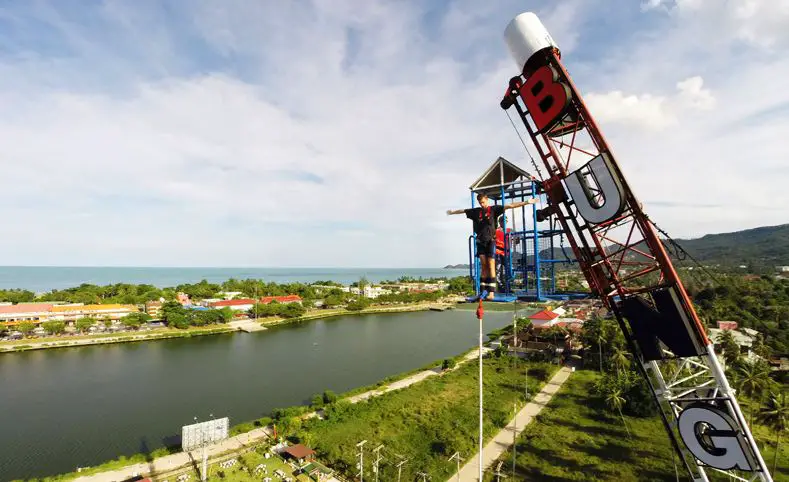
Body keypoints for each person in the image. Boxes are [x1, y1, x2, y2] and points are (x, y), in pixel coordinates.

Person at [447, 193, 538, 300]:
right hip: (480, 242)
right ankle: (481, 292)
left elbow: (510, 205)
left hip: (491, 241)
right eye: (480, 203)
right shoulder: (476, 211)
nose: (482, 204)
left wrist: (526, 202)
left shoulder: (494, 209)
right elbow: (462, 211)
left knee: (491, 265)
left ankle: (491, 293)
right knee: (484, 266)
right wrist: (452, 212)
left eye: (483, 202)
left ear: (487, 200)